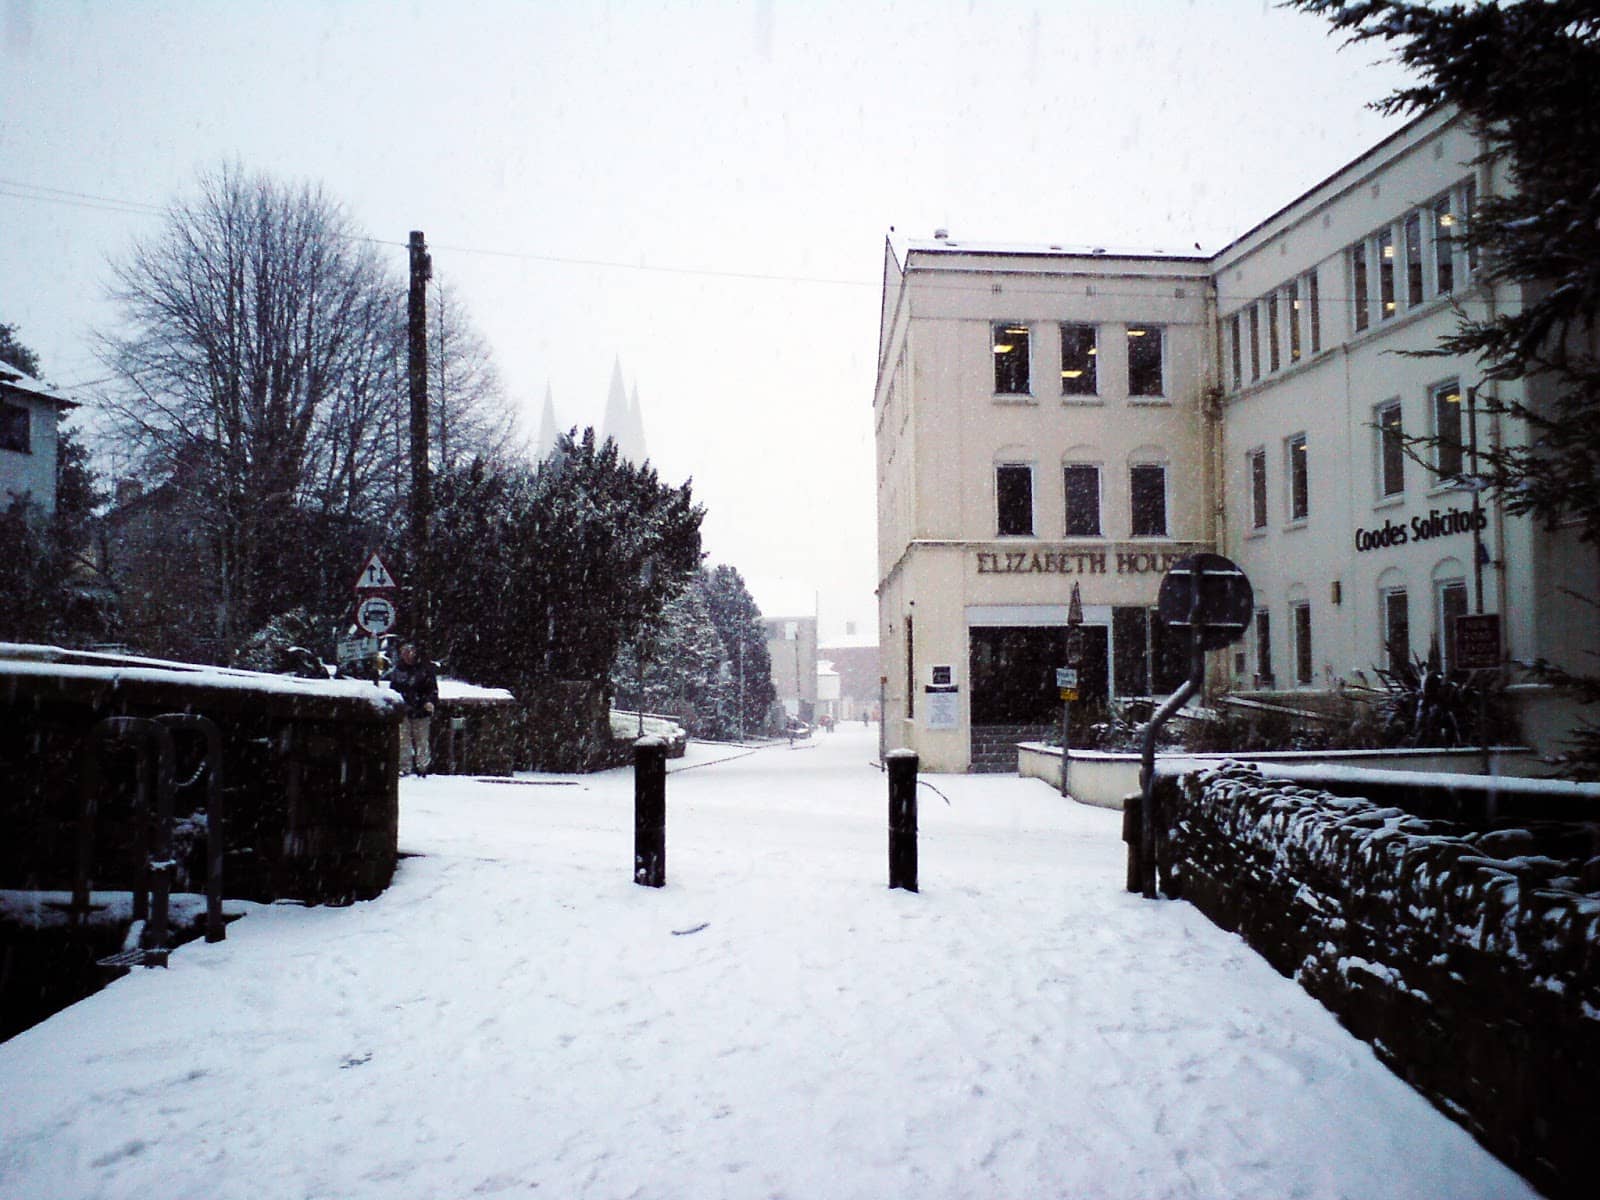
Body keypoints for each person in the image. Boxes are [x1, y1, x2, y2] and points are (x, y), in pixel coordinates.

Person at [391, 642, 439, 777]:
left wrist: (428, 702)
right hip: (404, 710)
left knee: (422, 740)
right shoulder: (398, 670)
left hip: (421, 710)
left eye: (409, 652)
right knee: (403, 741)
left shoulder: (425, 670)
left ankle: (422, 767)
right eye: (404, 652)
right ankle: (404, 767)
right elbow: (394, 689)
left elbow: (432, 690)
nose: (406, 655)